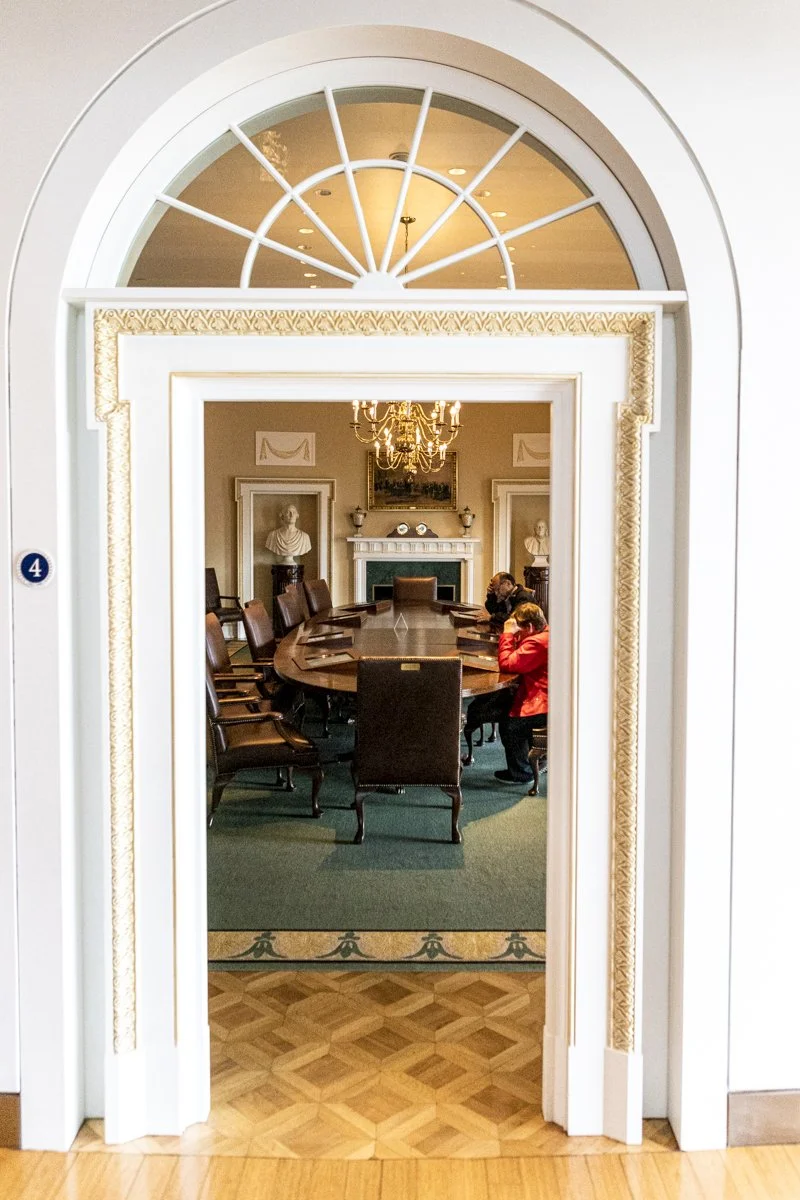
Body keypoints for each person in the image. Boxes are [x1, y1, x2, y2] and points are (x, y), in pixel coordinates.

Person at [494, 601, 549, 783]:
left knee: (509, 726)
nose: (517, 632)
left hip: (541, 704)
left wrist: (508, 635)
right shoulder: (546, 634)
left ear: (531, 626)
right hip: (547, 698)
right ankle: (529, 763)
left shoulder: (537, 642)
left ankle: (521, 772)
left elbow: (508, 664)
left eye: (520, 629)